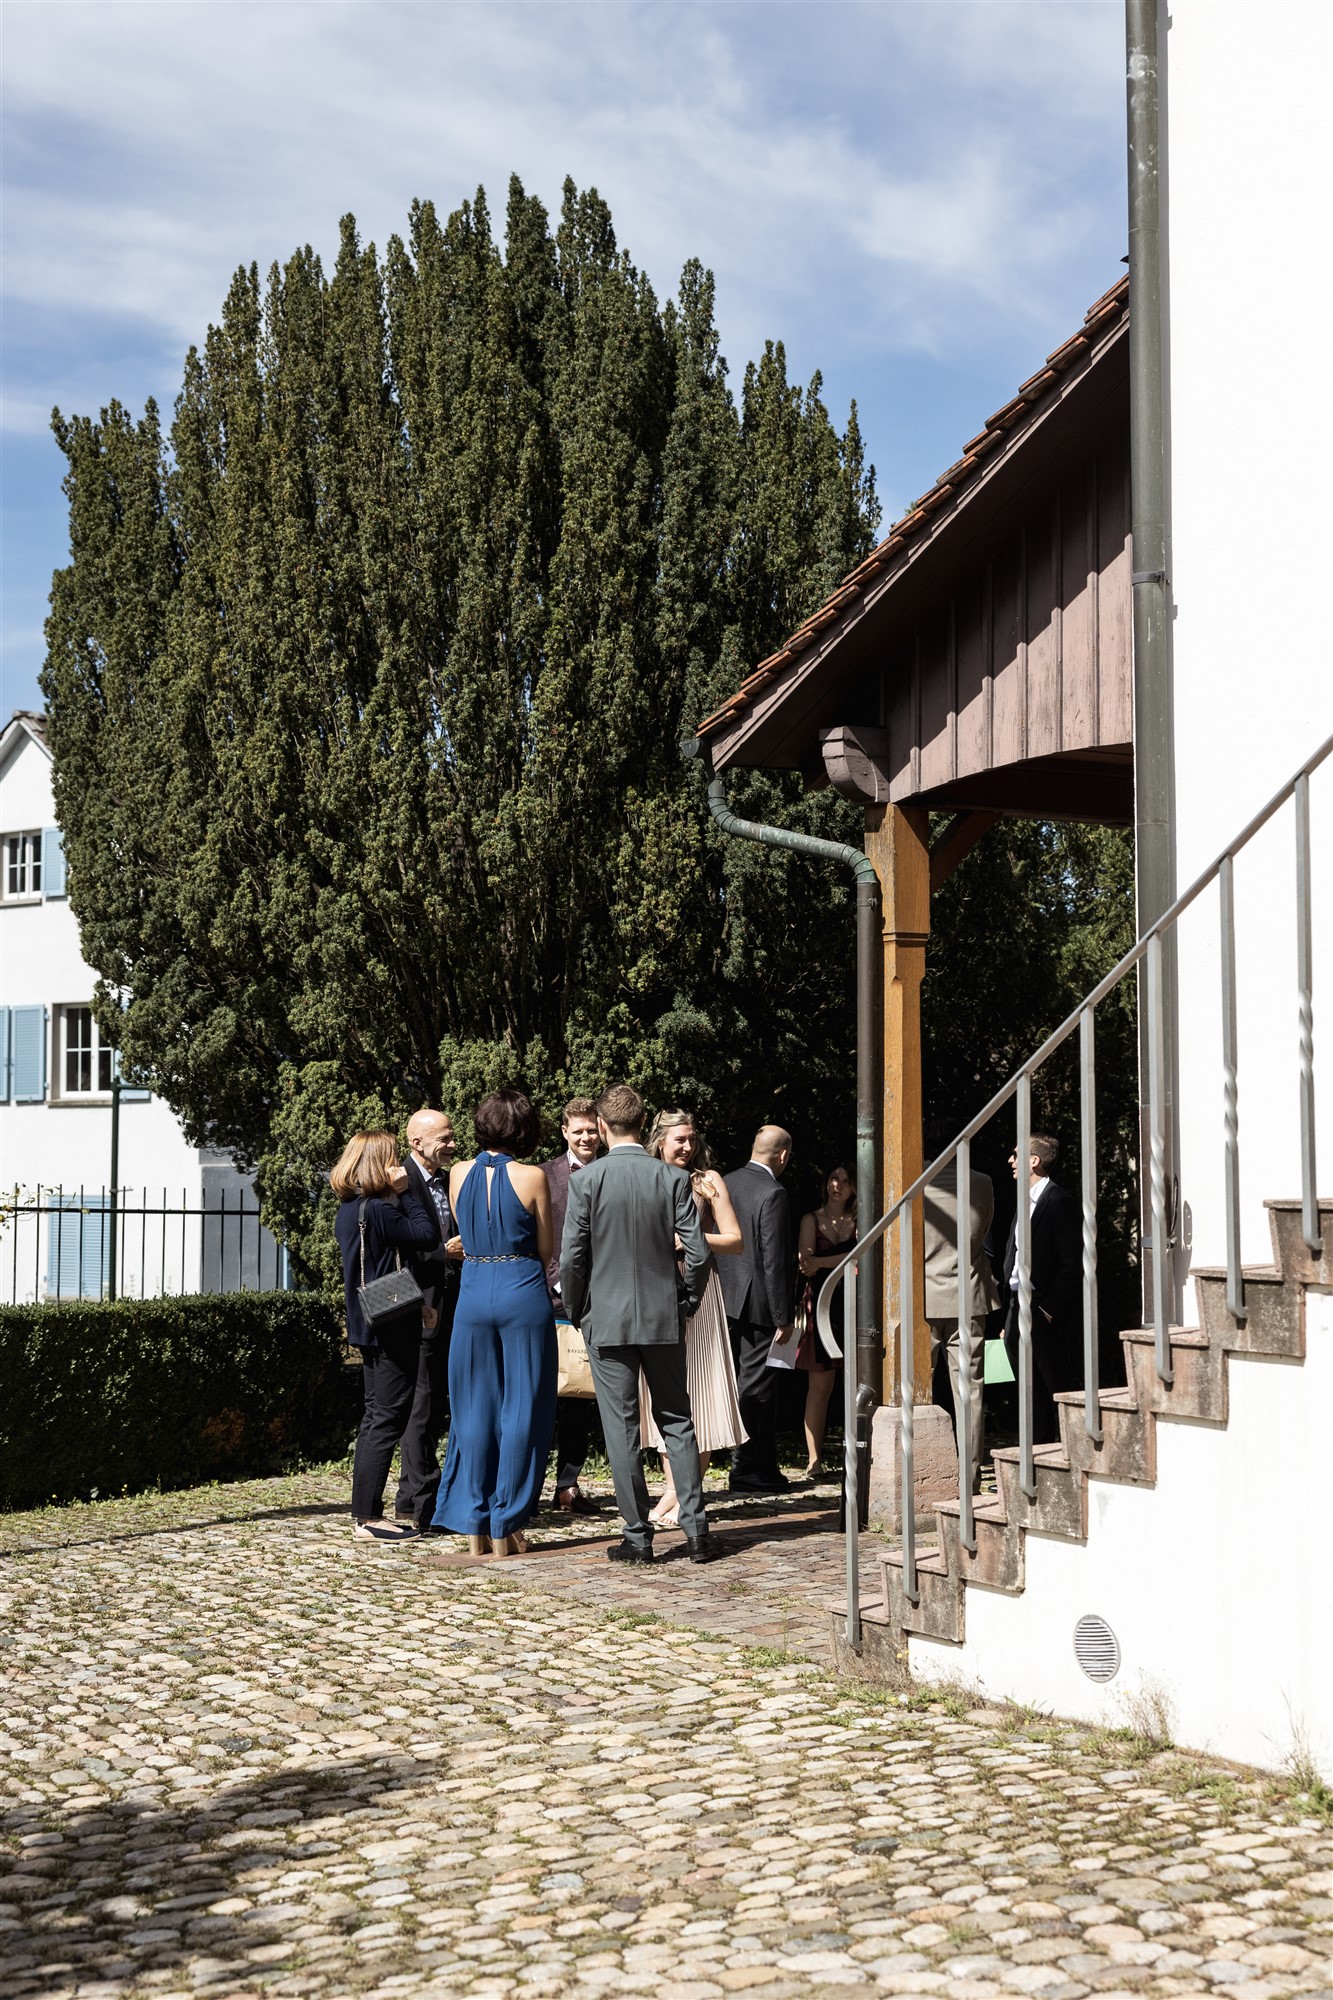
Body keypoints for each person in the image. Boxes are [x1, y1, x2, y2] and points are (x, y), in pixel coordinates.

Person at [559, 1083, 717, 1565]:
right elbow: (700, 1251)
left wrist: (577, 1309)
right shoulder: (670, 1178)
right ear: (641, 1122)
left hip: (606, 1319)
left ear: (603, 1126)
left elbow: (571, 1260)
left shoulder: (586, 1182)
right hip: (661, 1315)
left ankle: (638, 1536)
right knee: (678, 1422)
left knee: (621, 1427)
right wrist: (685, 1300)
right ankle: (696, 1532)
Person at [431, 1089, 558, 1556]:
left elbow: (462, 1229)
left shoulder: (459, 1172)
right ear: (523, 1128)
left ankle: (473, 1524)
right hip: (520, 1287)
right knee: (523, 1405)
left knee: (473, 1407)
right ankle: (508, 1523)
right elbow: (546, 1249)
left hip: (473, 1287)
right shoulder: (533, 1176)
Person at [332, 1130, 440, 1542]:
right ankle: (369, 1518)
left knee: (375, 1414)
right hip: (391, 1326)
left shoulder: (350, 1209)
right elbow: (426, 1235)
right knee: (386, 1418)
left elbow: (382, 1264)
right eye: (392, 1158)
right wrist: (408, 1191)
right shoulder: (379, 1209)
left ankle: (366, 1512)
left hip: (369, 1321)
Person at [640, 1109, 746, 1527]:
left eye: (691, 1138)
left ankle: (683, 1493)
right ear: (660, 1141)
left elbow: (735, 1241)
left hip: (701, 1295)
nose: (686, 1146)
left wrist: (688, 1240)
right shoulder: (646, 1178)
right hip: (655, 1294)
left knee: (700, 1393)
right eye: (678, 1139)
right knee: (667, 1395)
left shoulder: (708, 1181)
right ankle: (678, 1490)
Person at [392, 1108, 463, 1529]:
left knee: (435, 1400)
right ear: (417, 1142)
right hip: (419, 1303)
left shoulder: (452, 1179)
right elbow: (399, 1243)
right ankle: (420, 1499)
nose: (452, 1144)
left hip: (453, 1300)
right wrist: (443, 1253)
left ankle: (414, 1496)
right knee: (421, 1402)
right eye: (444, 1137)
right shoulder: (399, 1181)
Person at [922, 1123, 999, 1495]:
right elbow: (984, 1231)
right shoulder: (982, 1181)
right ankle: (968, 1479)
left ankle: (918, 1475)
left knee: (913, 1389)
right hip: (969, 1294)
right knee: (971, 1391)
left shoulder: (912, 1181)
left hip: (921, 1298)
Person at [718, 1125, 796, 1494]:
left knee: (744, 1382)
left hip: (724, 1296)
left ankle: (763, 1464)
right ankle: (746, 1465)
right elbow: (774, 1259)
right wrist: (784, 1316)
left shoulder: (726, 1181)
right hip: (759, 1302)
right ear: (782, 1155)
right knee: (759, 1386)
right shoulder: (774, 1192)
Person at [542, 1096, 605, 1515]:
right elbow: (539, 1233)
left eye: (590, 1130)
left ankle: (568, 1484)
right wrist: (557, 1281)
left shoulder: (611, 1171)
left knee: (580, 1395)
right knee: (543, 1394)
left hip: (602, 1297)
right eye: (577, 1130)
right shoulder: (544, 1175)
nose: (585, 1137)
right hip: (552, 1299)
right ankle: (526, 1487)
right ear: (564, 1131)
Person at [1002, 1132, 1082, 1445]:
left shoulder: (1059, 1202)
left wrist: (1048, 1309)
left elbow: (1072, 1264)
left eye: (1017, 1154)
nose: (1011, 1160)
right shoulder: (1025, 1202)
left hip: (1041, 1308)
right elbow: (1015, 1255)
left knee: (1055, 1386)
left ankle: (1069, 1452)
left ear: (1034, 1161)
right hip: (1017, 1305)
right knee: (1027, 1389)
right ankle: (1034, 1460)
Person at [795, 1164, 856, 1481]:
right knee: (819, 1387)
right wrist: (827, 1261)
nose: (839, 1185)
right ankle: (814, 1460)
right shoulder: (811, 1219)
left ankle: (857, 1453)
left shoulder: (860, 1219)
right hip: (820, 1306)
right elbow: (806, 1264)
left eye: (846, 1180)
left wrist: (824, 1261)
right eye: (834, 1178)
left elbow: (863, 1254)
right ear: (826, 1183)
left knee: (857, 1386)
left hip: (856, 1305)